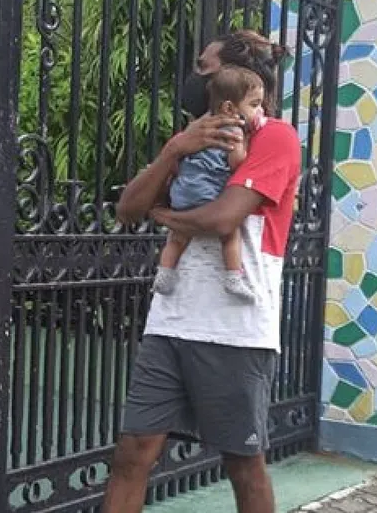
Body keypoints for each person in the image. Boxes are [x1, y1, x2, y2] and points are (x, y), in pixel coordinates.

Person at [103, 30, 299, 513]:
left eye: (203, 68)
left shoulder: (275, 137)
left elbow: (223, 219)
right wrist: (174, 149)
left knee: (243, 464)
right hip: (170, 321)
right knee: (131, 454)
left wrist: (166, 217)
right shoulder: (193, 137)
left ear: (236, 76)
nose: (194, 78)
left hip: (235, 328)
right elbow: (127, 210)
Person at [154, 65, 268, 300]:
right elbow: (237, 162)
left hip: (182, 191)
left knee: (177, 238)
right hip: (207, 192)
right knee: (230, 234)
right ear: (229, 108)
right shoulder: (234, 130)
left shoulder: (197, 128)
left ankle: (164, 273)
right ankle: (233, 277)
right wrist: (248, 144)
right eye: (254, 104)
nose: (260, 110)